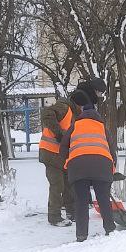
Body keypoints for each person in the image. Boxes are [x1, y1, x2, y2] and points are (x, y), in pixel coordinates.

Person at [60, 89, 117, 242]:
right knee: (104, 199)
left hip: (78, 167)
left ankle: (81, 235)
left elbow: (63, 147)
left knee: (81, 201)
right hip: (102, 165)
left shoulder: (75, 126)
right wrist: (112, 167)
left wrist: (68, 162)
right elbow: (112, 149)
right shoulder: (102, 127)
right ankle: (110, 229)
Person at [38, 95, 76, 226]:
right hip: (50, 153)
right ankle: (54, 217)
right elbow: (47, 113)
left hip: (61, 155)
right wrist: (59, 134)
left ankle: (71, 212)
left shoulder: (74, 114)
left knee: (67, 183)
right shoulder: (64, 107)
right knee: (57, 185)